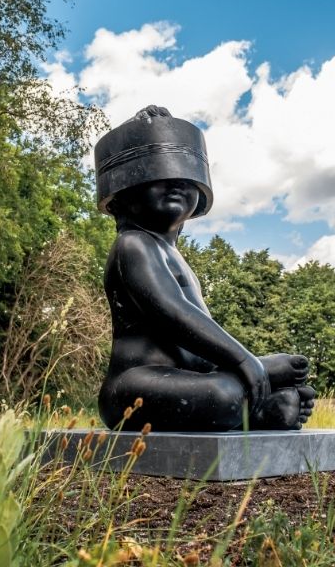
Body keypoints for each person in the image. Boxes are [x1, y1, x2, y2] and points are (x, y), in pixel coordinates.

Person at [95, 106, 316, 431]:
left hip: (185, 379)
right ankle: (257, 406)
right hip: (134, 385)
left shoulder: (176, 258)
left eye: (185, 180)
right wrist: (245, 361)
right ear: (124, 195)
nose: (175, 185)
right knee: (222, 393)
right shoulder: (133, 245)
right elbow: (172, 313)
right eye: (158, 178)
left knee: (228, 385)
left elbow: (196, 339)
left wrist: (245, 364)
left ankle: (259, 400)